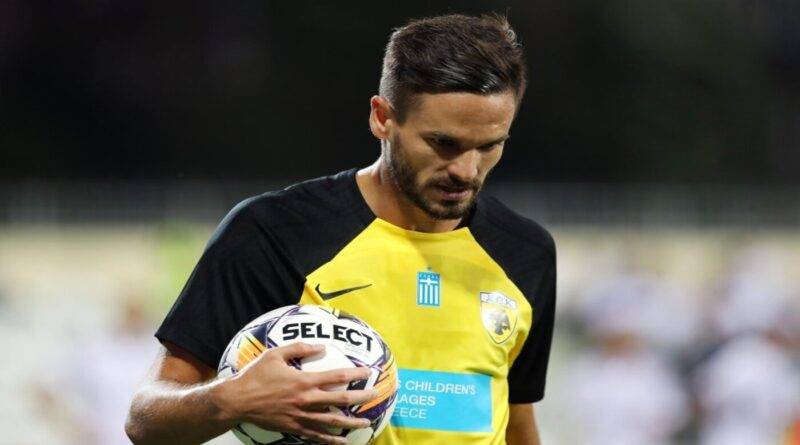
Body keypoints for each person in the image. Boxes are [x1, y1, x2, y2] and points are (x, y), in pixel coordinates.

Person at [126, 13, 556, 445]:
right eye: (443, 144)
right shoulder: (274, 234)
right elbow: (146, 421)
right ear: (382, 118)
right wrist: (231, 398)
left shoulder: (525, 253)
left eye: (489, 146)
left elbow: (516, 421)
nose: (466, 170)